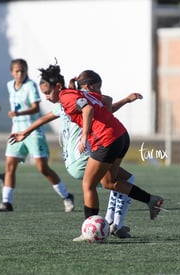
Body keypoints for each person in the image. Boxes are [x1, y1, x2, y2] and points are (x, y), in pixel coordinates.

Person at [37, 64, 164, 241]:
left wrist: (84, 135)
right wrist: (126, 100)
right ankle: (151, 200)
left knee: (88, 185)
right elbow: (106, 102)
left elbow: (87, 109)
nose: (47, 97)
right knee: (109, 182)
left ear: (58, 87)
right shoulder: (79, 93)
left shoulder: (67, 97)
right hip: (121, 136)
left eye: (48, 92)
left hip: (106, 140)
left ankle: (87, 231)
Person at [8, 74, 142, 238]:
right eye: (97, 87)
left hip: (71, 162)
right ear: (88, 87)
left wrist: (26, 132)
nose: (99, 91)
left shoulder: (65, 102)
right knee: (121, 181)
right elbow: (106, 102)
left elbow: (46, 117)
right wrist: (123, 100)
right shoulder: (79, 101)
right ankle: (112, 225)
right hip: (82, 157)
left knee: (112, 183)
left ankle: (110, 224)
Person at [0, 59, 74, 212]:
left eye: (23, 70)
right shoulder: (10, 85)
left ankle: (66, 196)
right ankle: (6, 202)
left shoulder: (31, 85)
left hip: (33, 133)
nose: (20, 73)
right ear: (11, 72)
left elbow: (35, 108)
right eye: (17, 71)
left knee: (42, 168)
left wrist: (19, 113)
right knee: (9, 166)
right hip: (16, 131)